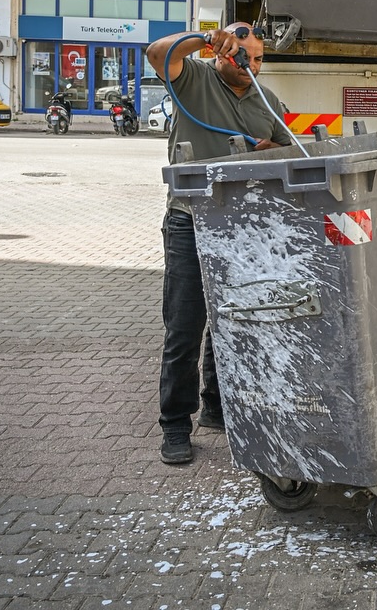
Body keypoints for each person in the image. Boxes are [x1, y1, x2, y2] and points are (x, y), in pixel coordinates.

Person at [145, 23, 293, 465]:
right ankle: (175, 424)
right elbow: (158, 53)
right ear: (223, 53)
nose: (251, 66)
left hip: (241, 228)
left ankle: (216, 405)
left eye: (259, 59)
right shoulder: (194, 78)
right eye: (243, 56)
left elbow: (290, 152)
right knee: (185, 327)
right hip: (190, 221)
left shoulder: (266, 100)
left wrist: (268, 151)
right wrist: (204, 36)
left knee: (230, 319)